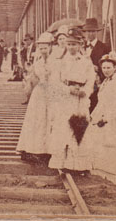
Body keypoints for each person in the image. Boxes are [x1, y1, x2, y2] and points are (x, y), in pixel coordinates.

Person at [47, 28, 94, 173]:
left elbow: (91, 79)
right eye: (69, 44)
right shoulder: (60, 61)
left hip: (80, 98)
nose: (71, 47)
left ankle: (78, 165)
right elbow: (55, 81)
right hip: (66, 97)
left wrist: (85, 91)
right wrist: (68, 90)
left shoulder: (86, 61)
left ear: (80, 45)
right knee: (64, 127)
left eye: (74, 44)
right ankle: (62, 163)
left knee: (79, 128)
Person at [85, 53, 116, 188]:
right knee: (99, 148)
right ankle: (101, 178)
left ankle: (115, 182)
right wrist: (93, 116)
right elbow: (101, 103)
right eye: (104, 68)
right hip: (102, 119)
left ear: (115, 68)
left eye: (109, 68)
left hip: (113, 121)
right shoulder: (105, 82)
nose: (106, 70)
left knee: (111, 149)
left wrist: (106, 119)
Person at [17, 32, 53, 165]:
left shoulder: (55, 62)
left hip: (51, 93)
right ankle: (33, 148)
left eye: (46, 48)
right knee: (36, 120)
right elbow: (34, 77)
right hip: (39, 93)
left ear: (50, 47)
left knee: (48, 120)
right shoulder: (38, 62)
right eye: (41, 48)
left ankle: (46, 150)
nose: (43, 50)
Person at [82, 18, 111, 112]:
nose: (90, 34)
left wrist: (98, 68)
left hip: (97, 85)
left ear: (97, 32)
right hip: (83, 84)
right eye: (88, 31)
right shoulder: (81, 47)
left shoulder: (104, 47)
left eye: (93, 31)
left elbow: (109, 66)